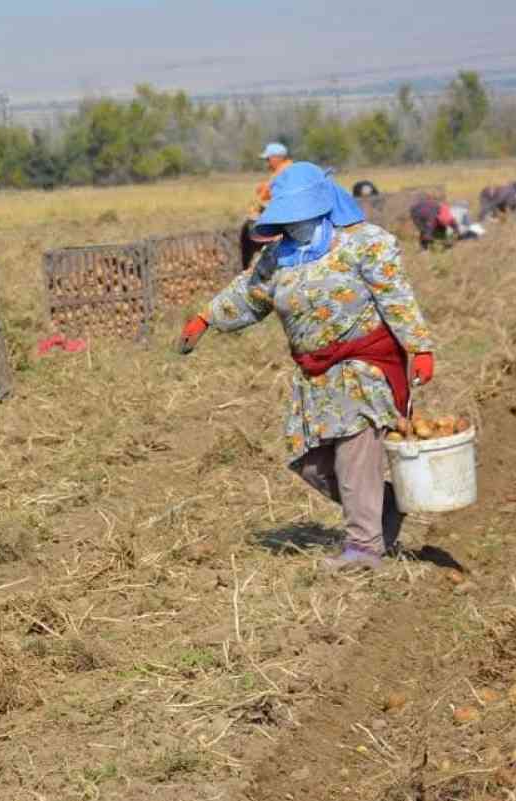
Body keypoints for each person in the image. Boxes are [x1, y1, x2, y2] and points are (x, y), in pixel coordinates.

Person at [177, 162, 435, 571]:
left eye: (299, 215)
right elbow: (248, 294)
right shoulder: (278, 258)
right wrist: (205, 318)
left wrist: (419, 347)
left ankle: (364, 549)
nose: (293, 224)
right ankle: (384, 507)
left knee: (354, 453)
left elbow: (396, 296)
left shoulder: (364, 244)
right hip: (315, 375)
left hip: (363, 364)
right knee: (310, 463)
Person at [239, 143, 295, 270]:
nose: (267, 163)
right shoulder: (284, 170)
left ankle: (248, 269)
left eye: (268, 159)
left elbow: (277, 197)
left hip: (280, 219)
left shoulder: (283, 172)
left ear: (277, 158)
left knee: (248, 234)